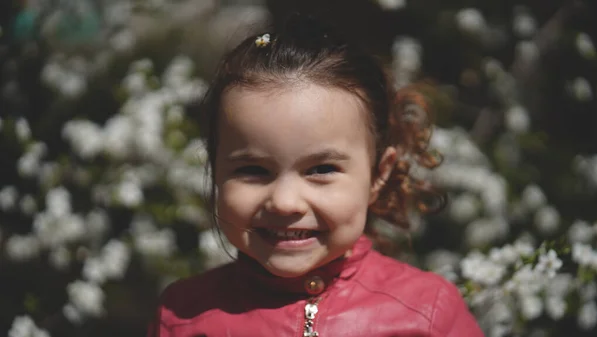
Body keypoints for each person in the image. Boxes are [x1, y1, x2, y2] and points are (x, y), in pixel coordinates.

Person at [148, 13, 484, 337]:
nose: (284, 202)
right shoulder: (182, 318)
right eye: (252, 170)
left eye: (322, 169)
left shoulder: (426, 315)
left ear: (378, 174)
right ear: (215, 170)